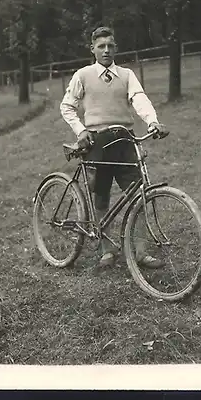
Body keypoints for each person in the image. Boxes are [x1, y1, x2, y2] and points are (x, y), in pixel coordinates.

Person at [60, 26, 168, 268]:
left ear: (116, 48)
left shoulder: (127, 75)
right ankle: (106, 249)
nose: (106, 50)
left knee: (138, 195)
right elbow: (67, 106)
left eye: (110, 45)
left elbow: (139, 98)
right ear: (93, 49)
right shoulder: (83, 75)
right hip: (97, 142)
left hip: (125, 141)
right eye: (101, 46)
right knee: (101, 197)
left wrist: (152, 121)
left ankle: (141, 252)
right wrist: (81, 130)